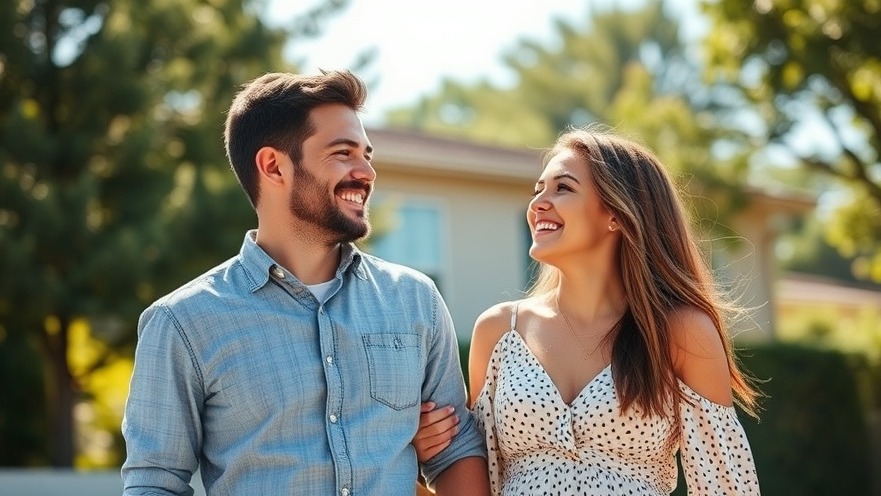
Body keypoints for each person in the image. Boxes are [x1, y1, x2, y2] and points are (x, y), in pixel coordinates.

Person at [121, 70, 489, 495]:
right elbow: (155, 481)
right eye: (343, 153)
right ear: (274, 166)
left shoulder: (414, 299)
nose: (367, 171)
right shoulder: (183, 323)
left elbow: (456, 448)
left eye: (367, 154)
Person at [414, 126, 762, 495]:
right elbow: (474, 477)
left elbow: (727, 486)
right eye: (538, 190)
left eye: (562, 188)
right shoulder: (499, 331)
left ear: (616, 213)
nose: (537, 204)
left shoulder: (681, 331)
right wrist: (420, 455)